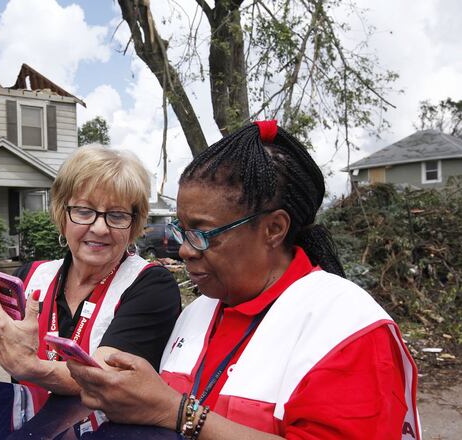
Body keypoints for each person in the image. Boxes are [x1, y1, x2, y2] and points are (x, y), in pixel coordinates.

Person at [67, 121, 420, 439]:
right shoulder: (197, 312)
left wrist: (175, 412)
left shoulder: (347, 329)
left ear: (274, 229)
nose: (185, 251)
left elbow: (171, 411)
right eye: (182, 231)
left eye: (203, 234)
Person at [0, 145, 182, 396]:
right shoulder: (29, 278)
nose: (100, 228)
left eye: (117, 215)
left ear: (134, 225)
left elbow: (109, 377)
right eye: (85, 211)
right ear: (62, 215)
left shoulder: (151, 285)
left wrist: (30, 367)